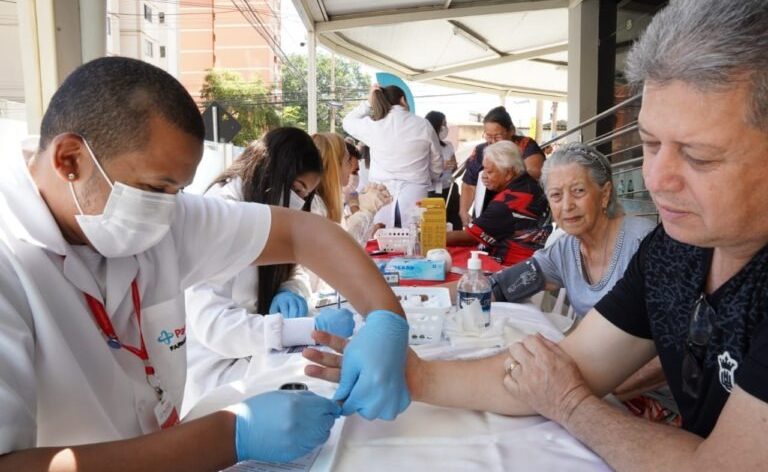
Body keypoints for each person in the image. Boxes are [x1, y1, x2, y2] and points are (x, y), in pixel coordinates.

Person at [305, 0, 768, 468]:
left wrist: (568, 404)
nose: (656, 179)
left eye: (699, 156)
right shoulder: (673, 251)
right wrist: (413, 374)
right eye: (649, 145)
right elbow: (573, 363)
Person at [0, 57, 409, 470]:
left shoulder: (162, 219)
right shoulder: (9, 261)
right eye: (155, 187)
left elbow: (305, 233)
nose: (168, 209)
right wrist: (229, 436)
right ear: (69, 160)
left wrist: (385, 320)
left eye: (178, 190)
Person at [183, 128, 357, 410]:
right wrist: (304, 329)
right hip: (216, 376)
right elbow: (214, 327)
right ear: (273, 173)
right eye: (298, 190)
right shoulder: (221, 215)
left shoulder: (262, 209)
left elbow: (294, 267)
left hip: (255, 357)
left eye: (305, 194)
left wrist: (291, 289)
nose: (300, 202)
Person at [489, 142, 655, 318]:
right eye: (556, 195)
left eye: (578, 191)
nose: (567, 206)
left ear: (605, 194)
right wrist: (467, 292)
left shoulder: (642, 242)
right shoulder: (564, 251)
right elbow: (501, 286)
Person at [342, 84, 443, 228]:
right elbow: (437, 162)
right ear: (403, 100)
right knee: (415, 241)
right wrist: (429, 177)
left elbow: (347, 122)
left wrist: (368, 103)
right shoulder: (423, 125)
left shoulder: (375, 125)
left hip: (380, 195)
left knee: (380, 240)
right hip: (415, 192)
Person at [446, 141, 550, 266]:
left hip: (513, 267)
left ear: (508, 173)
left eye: (490, 172)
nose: (484, 176)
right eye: (484, 170)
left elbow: (470, 237)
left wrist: (429, 238)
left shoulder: (507, 203)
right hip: (536, 260)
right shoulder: (531, 185)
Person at [459, 106, 545, 228]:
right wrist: (463, 211)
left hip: (518, 213)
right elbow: (468, 184)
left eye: (498, 136)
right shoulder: (480, 151)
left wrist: (499, 177)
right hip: (487, 212)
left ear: (511, 131)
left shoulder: (525, 145)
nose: (493, 141)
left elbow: (536, 173)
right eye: (488, 136)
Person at [312, 132, 393, 246]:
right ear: (334, 165)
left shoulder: (329, 200)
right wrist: (367, 211)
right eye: (347, 161)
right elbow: (340, 245)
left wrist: (369, 213)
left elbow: (352, 237)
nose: (350, 168)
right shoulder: (314, 203)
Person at [425, 110, 462, 230]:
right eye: (443, 124)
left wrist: (454, 166)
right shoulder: (424, 145)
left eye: (445, 124)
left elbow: (455, 170)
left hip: (449, 189)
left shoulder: (448, 145)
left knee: (455, 223)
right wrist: (440, 166)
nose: (445, 127)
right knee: (436, 226)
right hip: (432, 192)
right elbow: (422, 171)